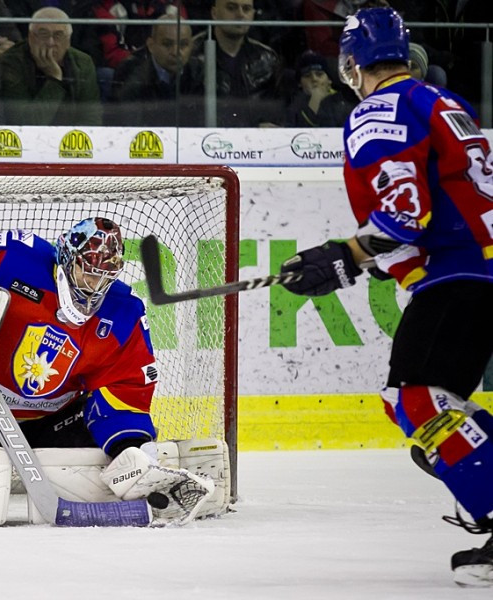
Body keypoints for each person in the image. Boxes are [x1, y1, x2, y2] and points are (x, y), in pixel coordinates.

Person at [278, 7, 493, 587]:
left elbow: (405, 212)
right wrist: (361, 266)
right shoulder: (445, 103)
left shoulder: (380, 108)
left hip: (462, 275)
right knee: (440, 414)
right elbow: (443, 207)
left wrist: (345, 253)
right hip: (475, 268)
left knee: (418, 399)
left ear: (352, 63)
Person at [0, 217, 212, 523]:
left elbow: (124, 386)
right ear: (66, 259)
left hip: (53, 423)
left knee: (106, 451)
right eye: (87, 273)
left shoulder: (123, 310)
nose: (94, 287)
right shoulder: (17, 256)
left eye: (104, 277)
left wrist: (129, 450)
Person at [0, 7, 101, 125]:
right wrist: (54, 78)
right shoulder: (11, 62)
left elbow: (91, 119)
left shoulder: (83, 63)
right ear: (31, 37)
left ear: (68, 41)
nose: (50, 42)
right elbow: (25, 123)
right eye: (43, 34)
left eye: (58, 35)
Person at [188, 0, 282, 127]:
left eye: (246, 9)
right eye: (231, 8)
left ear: (253, 15)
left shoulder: (267, 59)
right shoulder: (190, 55)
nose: (240, 15)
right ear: (215, 13)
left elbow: (277, 110)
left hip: (256, 141)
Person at [108, 16, 198, 127]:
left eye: (183, 45)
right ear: (151, 45)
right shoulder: (130, 71)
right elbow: (126, 125)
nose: (175, 52)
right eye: (167, 44)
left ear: (192, 46)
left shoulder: (200, 72)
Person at [283, 49, 354, 127]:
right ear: (300, 84)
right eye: (307, 76)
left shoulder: (343, 103)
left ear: (329, 80)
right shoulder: (294, 106)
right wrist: (315, 101)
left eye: (319, 74)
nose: (314, 79)